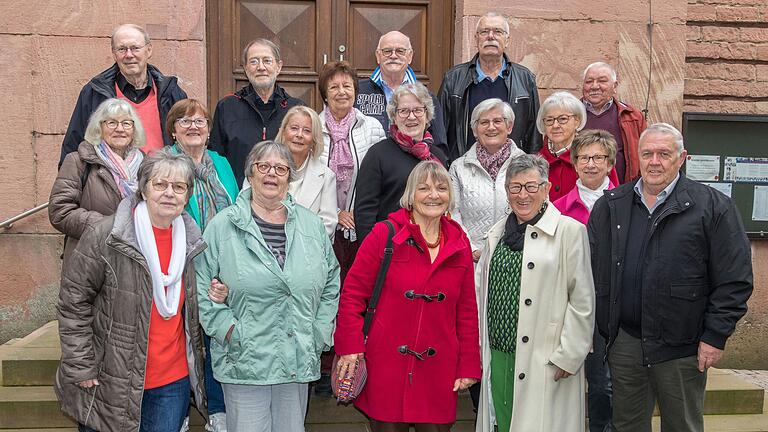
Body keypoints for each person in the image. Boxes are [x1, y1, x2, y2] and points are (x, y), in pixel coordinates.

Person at [588, 123, 754, 432]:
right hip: (625, 343)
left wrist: (714, 336)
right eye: (647, 153)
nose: (655, 161)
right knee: (627, 425)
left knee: (682, 425)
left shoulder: (713, 207)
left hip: (683, 346)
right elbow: (592, 273)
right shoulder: (611, 205)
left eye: (664, 154)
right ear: (637, 157)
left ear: (682, 158)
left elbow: (735, 280)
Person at [55, 151, 207, 432]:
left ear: (187, 196)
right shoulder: (107, 234)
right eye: (160, 184)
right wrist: (81, 363)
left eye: (179, 187)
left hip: (171, 382)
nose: (169, 193)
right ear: (143, 188)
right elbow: (73, 302)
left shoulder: (194, 243)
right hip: (111, 377)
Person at [196, 141, 340, 432]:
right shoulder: (223, 226)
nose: (271, 174)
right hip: (244, 358)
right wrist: (229, 330)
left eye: (280, 168)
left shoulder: (311, 225)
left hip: (296, 356)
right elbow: (200, 288)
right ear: (250, 174)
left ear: (290, 177)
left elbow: (331, 281)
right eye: (263, 166)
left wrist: (319, 331)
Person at [334, 160, 481, 432]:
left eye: (441, 188)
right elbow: (353, 294)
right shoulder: (384, 235)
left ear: (450, 197)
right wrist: (350, 347)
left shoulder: (460, 244)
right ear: (410, 195)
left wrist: (469, 364)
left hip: (438, 370)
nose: (434, 195)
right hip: (385, 366)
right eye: (424, 188)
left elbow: (467, 310)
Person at [475, 154, 594, 432]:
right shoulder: (497, 234)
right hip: (500, 353)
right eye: (515, 187)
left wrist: (570, 353)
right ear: (506, 191)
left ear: (546, 188)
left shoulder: (569, 232)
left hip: (547, 356)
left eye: (531, 186)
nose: (523, 195)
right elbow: (481, 291)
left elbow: (582, 299)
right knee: (501, 424)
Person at [165, 98, 238, 432]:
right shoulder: (164, 163)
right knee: (180, 339)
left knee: (215, 336)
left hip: (222, 265)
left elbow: (238, 210)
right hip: (180, 264)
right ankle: (178, 414)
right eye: (185, 120)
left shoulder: (221, 163)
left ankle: (218, 412)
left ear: (209, 130)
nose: (193, 126)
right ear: (173, 130)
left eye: (200, 121)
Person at [553, 130, 617, 432]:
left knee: (606, 385)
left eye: (598, 158)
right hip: (572, 305)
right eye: (583, 158)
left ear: (610, 163)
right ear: (575, 164)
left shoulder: (627, 203)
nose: (590, 164)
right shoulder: (558, 208)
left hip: (614, 304)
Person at [59, 24, 187, 166]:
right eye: (122, 49)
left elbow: (188, 142)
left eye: (135, 48)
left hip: (162, 182)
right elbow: (73, 146)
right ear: (114, 53)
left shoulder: (171, 93)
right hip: (109, 183)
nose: (129, 55)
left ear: (149, 50)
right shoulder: (94, 93)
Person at [50, 98, 146, 267]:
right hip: (90, 259)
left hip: (133, 259)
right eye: (111, 123)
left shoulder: (145, 164)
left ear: (134, 129)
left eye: (126, 123)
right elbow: (60, 211)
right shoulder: (78, 161)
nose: (119, 129)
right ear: (99, 128)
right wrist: (107, 227)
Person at [437, 12, 540, 162]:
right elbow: (440, 132)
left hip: (512, 172)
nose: (490, 36)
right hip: (465, 170)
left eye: (497, 32)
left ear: (507, 40)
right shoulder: (453, 79)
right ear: (476, 39)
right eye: (484, 31)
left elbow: (534, 134)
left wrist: (530, 169)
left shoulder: (525, 79)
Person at [316, 61, 385, 282]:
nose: (341, 92)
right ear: (325, 95)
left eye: (347, 86)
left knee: (358, 289)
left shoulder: (372, 127)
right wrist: (335, 212)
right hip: (322, 224)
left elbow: (380, 177)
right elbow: (308, 176)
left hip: (360, 224)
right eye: (334, 87)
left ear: (356, 91)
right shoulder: (313, 128)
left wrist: (359, 212)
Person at [354, 82, 448, 241]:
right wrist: (375, 253)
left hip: (430, 246)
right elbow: (364, 213)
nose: (411, 117)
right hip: (391, 248)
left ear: (427, 115)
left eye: (418, 110)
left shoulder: (437, 156)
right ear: (394, 116)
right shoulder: (378, 155)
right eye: (404, 111)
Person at [210, 39, 305, 186]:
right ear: (246, 69)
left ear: (278, 67)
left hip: (284, 197)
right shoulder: (227, 107)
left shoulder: (296, 109)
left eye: (267, 61)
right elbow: (216, 158)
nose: (261, 67)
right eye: (254, 62)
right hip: (238, 197)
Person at [449, 98, 525, 262]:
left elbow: (538, 208)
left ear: (509, 126)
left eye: (497, 121)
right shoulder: (458, 168)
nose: (491, 127)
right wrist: (471, 249)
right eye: (484, 122)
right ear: (475, 130)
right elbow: (452, 212)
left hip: (516, 257)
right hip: (471, 260)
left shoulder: (527, 165)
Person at [355, 31, 448, 156]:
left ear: (410, 56)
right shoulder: (358, 92)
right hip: (367, 167)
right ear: (378, 56)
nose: (393, 56)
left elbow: (439, 145)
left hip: (413, 170)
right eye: (387, 51)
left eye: (400, 51)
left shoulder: (428, 98)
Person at [537, 91, 618, 202]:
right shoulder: (537, 160)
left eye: (563, 119)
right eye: (549, 120)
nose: (555, 125)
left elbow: (615, 199)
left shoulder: (597, 156)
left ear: (577, 121)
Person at [276, 106, 338, 238]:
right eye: (294, 128)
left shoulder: (327, 176)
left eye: (307, 131)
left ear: (314, 139)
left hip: (307, 252)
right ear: (283, 132)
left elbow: (327, 226)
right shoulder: (261, 167)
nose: (299, 135)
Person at [581, 62, 647, 184]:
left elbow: (645, 155)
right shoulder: (570, 115)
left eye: (602, 81)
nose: (595, 86)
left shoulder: (633, 117)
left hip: (622, 192)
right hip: (579, 193)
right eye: (589, 81)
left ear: (614, 85)